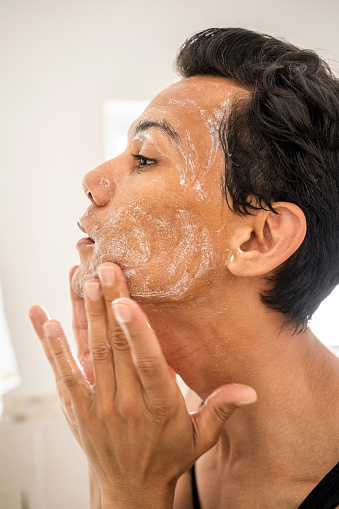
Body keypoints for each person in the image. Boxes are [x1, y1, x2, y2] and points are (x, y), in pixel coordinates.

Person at [29, 27, 339, 508]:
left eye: (146, 158)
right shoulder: (153, 435)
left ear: (260, 237)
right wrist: (119, 468)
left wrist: (129, 493)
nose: (92, 181)